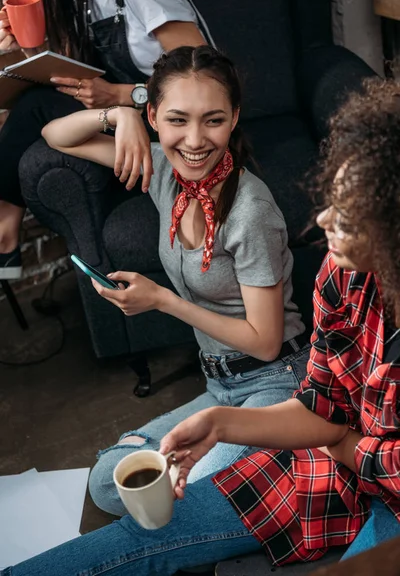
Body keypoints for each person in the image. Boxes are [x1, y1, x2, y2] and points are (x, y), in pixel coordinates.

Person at [3, 76, 400, 576]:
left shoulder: (251, 210)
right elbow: (325, 411)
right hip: (297, 430)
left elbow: (354, 443)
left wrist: (342, 443)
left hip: (364, 468)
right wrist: (220, 424)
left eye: (349, 215)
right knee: (142, 528)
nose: (321, 221)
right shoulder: (342, 279)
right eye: (176, 120)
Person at [41, 45, 309, 515]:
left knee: (191, 494)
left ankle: (275, 463)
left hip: (276, 382)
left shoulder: (251, 211)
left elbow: (265, 342)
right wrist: (119, 117)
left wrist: (164, 301)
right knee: (109, 482)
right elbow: (55, 135)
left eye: (213, 120)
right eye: (177, 120)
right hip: (220, 388)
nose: (195, 140)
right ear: (155, 117)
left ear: (234, 118)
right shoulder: (165, 172)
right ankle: (260, 478)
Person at [0, 0, 207, 279]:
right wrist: (24, 52)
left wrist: (120, 98)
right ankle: (5, 230)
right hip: (141, 121)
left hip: (184, 128)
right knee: (36, 103)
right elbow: (75, 85)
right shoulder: (87, 2)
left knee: (36, 106)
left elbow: (203, 78)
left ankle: (5, 230)